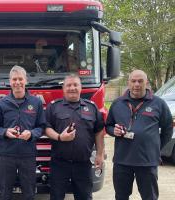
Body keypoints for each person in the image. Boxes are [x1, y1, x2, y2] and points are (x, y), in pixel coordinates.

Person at [106, 69, 173, 200]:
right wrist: (113, 131)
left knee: (149, 196)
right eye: (133, 81)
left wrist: (156, 147)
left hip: (147, 161)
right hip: (122, 161)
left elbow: (168, 129)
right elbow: (108, 125)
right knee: (121, 196)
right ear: (128, 83)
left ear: (146, 83)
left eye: (140, 81)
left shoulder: (158, 103)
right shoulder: (117, 103)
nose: (137, 84)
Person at [45, 73, 104, 200]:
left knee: (85, 197)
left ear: (81, 87)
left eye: (75, 85)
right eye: (69, 85)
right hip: (60, 164)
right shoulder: (53, 106)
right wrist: (60, 137)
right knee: (56, 197)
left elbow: (99, 131)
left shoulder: (91, 107)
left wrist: (99, 153)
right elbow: (46, 128)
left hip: (83, 164)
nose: (72, 88)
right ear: (63, 88)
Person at [0, 65, 46, 200]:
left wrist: (32, 134)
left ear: (26, 80)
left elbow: (42, 127)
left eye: (20, 79)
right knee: (5, 192)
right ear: (10, 81)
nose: (17, 82)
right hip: (7, 155)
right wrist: (5, 132)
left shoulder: (36, 103)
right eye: (14, 79)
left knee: (29, 192)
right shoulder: (2, 103)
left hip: (28, 154)